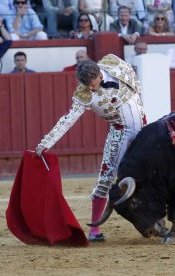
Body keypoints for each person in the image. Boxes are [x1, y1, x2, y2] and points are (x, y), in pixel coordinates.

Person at [35, 54, 146, 242]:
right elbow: (68, 120)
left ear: (100, 75)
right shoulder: (84, 94)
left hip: (144, 130)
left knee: (154, 172)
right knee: (106, 179)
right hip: (119, 134)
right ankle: (95, 230)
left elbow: (134, 81)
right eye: (85, 85)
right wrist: (46, 142)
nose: (89, 88)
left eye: (92, 84)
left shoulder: (114, 63)